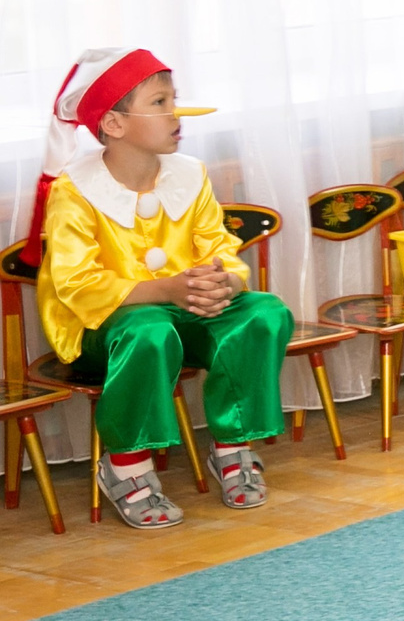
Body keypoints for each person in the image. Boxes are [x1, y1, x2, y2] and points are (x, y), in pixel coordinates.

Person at [29, 48, 293, 529]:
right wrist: (169, 289)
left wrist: (225, 283)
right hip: (104, 328)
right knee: (149, 331)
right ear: (113, 123)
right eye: (160, 102)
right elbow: (77, 283)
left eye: (175, 99)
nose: (177, 113)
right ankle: (126, 466)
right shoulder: (74, 191)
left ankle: (233, 449)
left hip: (183, 307)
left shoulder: (190, 175)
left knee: (265, 312)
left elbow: (220, 246)